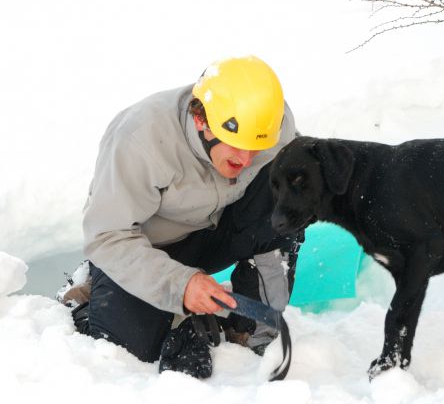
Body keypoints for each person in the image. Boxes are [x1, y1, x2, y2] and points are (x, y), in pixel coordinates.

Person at [61, 55, 301, 378]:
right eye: (235, 146)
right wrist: (181, 285)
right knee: (134, 345)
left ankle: (247, 324)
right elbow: (105, 235)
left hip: (213, 228)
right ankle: (88, 292)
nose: (246, 160)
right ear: (202, 121)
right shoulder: (139, 141)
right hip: (143, 245)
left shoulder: (271, 125)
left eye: (255, 148)